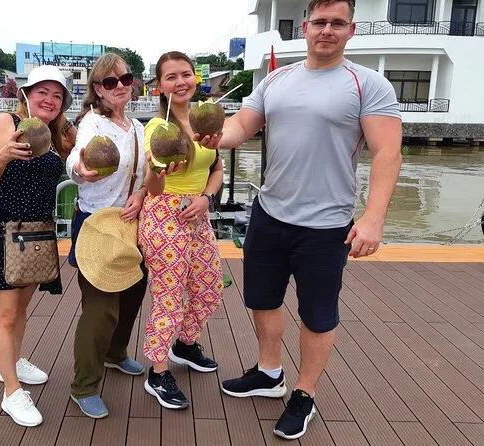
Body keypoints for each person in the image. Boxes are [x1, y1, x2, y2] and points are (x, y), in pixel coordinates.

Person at [210, 0, 402, 440]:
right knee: (261, 299)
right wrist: (213, 136)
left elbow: (388, 153)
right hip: (270, 213)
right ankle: (269, 372)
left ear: (351, 30)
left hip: (326, 223)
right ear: (305, 27)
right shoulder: (277, 79)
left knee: (317, 314)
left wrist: (373, 218)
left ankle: (304, 393)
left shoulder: (368, 84)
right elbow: (241, 126)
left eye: (337, 23)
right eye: (320, 22)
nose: (327, 30)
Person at [0, 65, 75, 427]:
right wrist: (4, 154)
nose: (50, 100)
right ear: (27, 94)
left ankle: (13, 360)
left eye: (57, 95)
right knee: (6, 314)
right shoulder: (6, 123)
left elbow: (80, 161)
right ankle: (11, 390)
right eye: (43, 92)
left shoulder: (57, 133)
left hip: (36, 232)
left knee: (22, 308)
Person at [138, 51, 225, 410]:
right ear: (160, 86)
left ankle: (185, 344)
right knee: (169, 295)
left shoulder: (206, 119)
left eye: (185, 74)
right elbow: (153, 187)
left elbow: (217, 168)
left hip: (198, 214)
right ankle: (158, 372)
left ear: (195, 78)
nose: (180, 82)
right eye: (171, 77)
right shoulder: (158, 129)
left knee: (209, 286)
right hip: (163, 214)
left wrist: (206, 198)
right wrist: (157, 171)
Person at [65, 53, 148, 419]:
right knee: (101, 310)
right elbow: (76, 159)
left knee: (132, 295)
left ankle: (115, 353)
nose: (120, 87)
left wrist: (141, 194)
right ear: (97, 89)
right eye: (111, 82)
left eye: (125, 79)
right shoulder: (91, 123)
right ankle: (84, 385)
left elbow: (146, 175)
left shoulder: (138, 127)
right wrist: (80, 169)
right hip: (97, 225)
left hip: (129, 225)